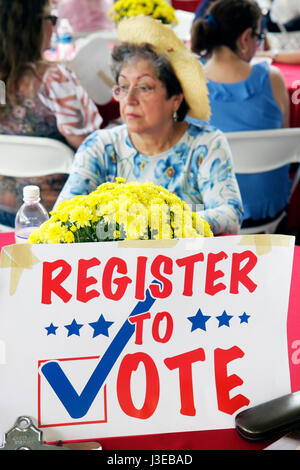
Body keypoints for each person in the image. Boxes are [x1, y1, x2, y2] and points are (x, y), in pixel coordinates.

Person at [55, 15, 243, 236]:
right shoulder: (100, 146)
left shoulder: (204, 145)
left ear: (176, 99)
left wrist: (153, 223)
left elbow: (230, 214)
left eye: (145, 87)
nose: (129, 99)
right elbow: (63, 217)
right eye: (123, 87)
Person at [0, 0, 102, 227]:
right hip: (54, 216)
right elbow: (89, 144)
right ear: (32, 27)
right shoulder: (54, 78)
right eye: (51, 19)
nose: (54, 27)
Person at [190, 0, 291, 227]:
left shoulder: (189, 85)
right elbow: (281, 139)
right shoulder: (273, 79)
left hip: (210, 216)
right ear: (246, 38)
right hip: (269, 208)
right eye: (259, 37)